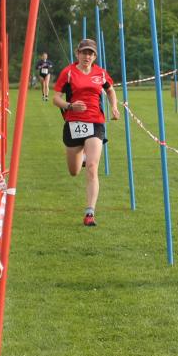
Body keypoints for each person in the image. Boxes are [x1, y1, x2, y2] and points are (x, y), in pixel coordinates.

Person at [52, 39, 119, 226]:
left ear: (95, 56)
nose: (87, 56)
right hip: (73, 123)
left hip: (96, 122)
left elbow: (110, 89)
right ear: (77, 53)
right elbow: (55, 99)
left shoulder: (100, 73)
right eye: (84, 53)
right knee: (74, 171)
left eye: (90, 53)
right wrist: (70, 105)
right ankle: (79, 156)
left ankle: (90, 213)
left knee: (92, 167)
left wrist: (114, 106)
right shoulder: (68, 72)